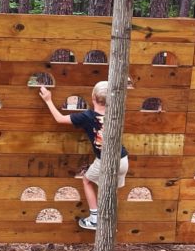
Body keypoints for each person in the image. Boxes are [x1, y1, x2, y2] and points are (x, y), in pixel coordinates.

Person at [38, 80, 129, 231]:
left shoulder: (87, 117)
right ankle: (110, 222)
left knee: (87, 180)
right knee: (111, 190)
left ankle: (94, 219)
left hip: (105, 161)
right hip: (123, 159)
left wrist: (48, 100)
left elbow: (59, 119)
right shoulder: (117, 111)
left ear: (93, 97)